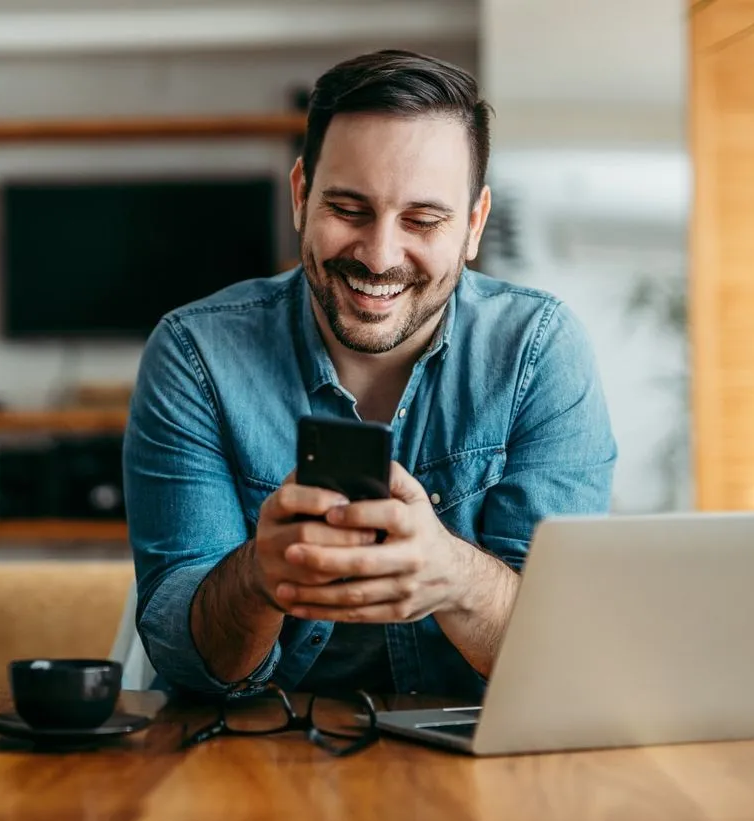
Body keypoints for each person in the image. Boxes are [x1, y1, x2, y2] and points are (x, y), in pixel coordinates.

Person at [122, 49, 617, 702]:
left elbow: (564, 659)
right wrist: (259, 577)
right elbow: (186, 663)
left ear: (473, 225)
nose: (381, 256)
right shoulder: (195, 355)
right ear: (302, 195)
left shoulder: (539, 351)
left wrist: (454, 577)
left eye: (422, 220)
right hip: (250, 762)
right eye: (350, 210)